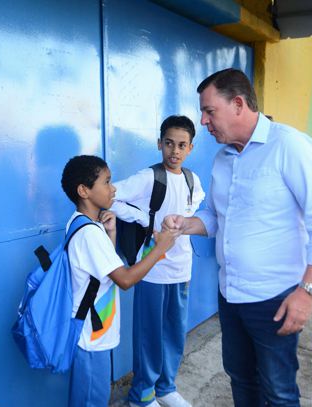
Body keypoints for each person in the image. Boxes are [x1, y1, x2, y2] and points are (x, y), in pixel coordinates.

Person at [162, 68, 312, 406]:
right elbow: (217, 217)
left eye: (209, 111)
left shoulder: (289, 146)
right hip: (230, 295)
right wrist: (186, 224)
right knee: (241, 380)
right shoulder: (223, 159)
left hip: (274, 298)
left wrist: (307, 291)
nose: (203, 121)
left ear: (238, 104)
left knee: (278, 390)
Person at [60, 155, 179, 407]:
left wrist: (111, 233)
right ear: (84, 191)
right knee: (91, 400)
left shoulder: (86, 224)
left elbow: (104, 270)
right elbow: (124, 280)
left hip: (95, 334)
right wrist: (159, 249)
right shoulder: (89, 233)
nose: (113, 188)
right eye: (106, 182)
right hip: (90, 340)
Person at [111, 115, 205, 407]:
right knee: (149, 335)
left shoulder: (192, 179)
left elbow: (195, 206)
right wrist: (146, 220)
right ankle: (142, 394)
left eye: (181, 145)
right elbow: (110, 197)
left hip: (181, 268)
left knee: (175, 333)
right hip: (152, 270)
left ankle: (166, 388)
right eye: (168, 144)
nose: (174, 151)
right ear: (159, 144)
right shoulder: (148, 177)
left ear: (190, 148)